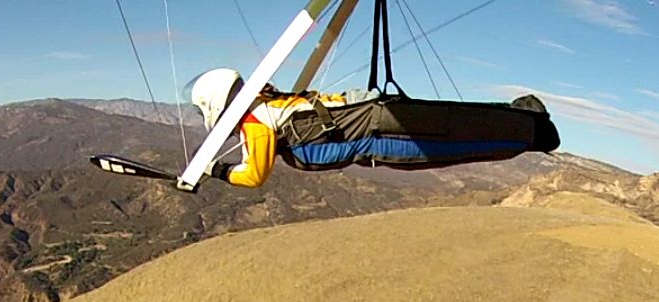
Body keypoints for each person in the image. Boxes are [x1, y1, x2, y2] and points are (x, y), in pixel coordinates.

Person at [186, 67, 558, 190]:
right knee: (452, 123)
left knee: (456, 143)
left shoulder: (256, 122)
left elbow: (253, 175)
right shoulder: (269, 101)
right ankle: (524, 116)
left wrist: (216, 170)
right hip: (374, 116)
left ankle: (533, 131)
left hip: (379, 134)